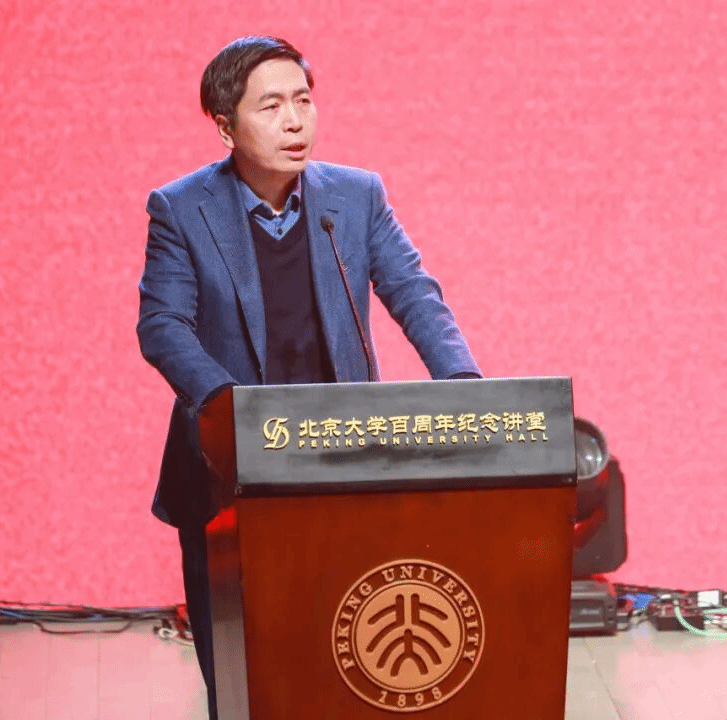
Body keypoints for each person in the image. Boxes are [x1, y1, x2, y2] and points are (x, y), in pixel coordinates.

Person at [136, 35, 481, 719]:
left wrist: (462, 380)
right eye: (271, 107)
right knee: (240, 671)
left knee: (346, 649)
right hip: (228, 463)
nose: (295, 121)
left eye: (303, 101)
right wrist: (227, 405)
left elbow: (413, 292)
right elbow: (163, 324)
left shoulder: (354, 197)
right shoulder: (181, 208)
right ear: (226, 126)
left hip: (339, 458)